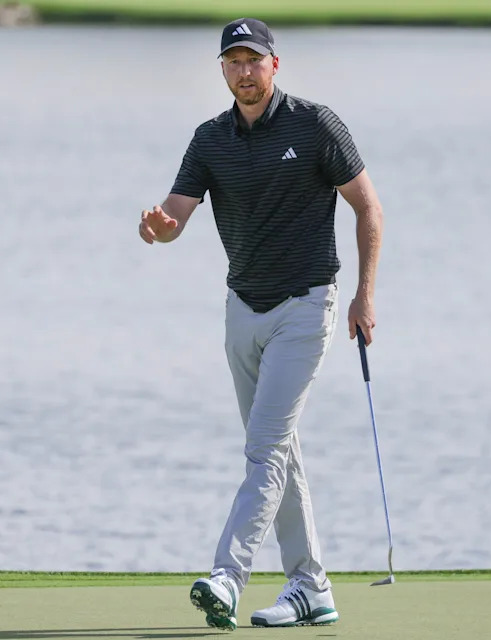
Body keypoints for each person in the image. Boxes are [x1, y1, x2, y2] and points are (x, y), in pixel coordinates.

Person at [138, 17, 383, 630]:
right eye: (233, 62)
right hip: (242, 310)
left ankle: (227, 577)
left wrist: (364, 296)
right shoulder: (209, 139)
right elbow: (177, 211)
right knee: (279, 453)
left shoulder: (316, 124)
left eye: (254, 60)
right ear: (222, 71)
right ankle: (312, 586)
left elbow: (368, 207)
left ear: (275, 65)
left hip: (306, 305)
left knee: (264, 448)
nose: (244, 72)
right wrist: (160, 228)